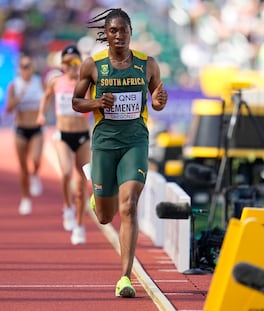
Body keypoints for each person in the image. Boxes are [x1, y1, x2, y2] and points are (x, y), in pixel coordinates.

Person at [72, 8, 168, 298]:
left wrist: (160, 101)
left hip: (135, 142)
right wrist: (97, 102)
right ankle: (98, 194)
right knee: (105, 216)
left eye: (122, 30)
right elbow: (77, 102)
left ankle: (125, 278)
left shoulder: (147, 64)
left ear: (130, 32)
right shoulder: (93, 65)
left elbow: (157, 99)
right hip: (104, 144)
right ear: (106, 34)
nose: (118, 35)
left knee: (128, 205)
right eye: (112, 31)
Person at [37, 45, 91, 245]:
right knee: (67, 173)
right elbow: (46, 98)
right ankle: (67, 207)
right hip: (63, 136)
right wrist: (42, 113)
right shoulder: (55, 82)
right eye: (67, 63)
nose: (71, 66)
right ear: (62, 65)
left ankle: (79, 226)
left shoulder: (87, 83)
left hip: (83, 136)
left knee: (82, 183)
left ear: (80, 63)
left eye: (75, 62)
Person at [5, 53, 44, 215]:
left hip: (36, 128)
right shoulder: (14, 85)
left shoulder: (38, 82)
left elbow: (47, 99)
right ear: (19, 69)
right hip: (21, 129)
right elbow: (8, 109)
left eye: (29, 66)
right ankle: (25, 198)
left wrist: (43, 113)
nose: (26, 70)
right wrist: (18, 97)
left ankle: (35, 175)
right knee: (22, 168)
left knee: (35, 159)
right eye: (23, 67)